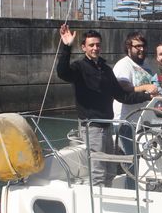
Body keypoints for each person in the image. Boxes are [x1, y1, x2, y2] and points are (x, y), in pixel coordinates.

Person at [56, 24, 154, 186]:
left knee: (110, 171)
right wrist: (66, 47)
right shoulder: (79, 68)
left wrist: (147, 97)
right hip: (92, 126)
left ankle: (107, 204)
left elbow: (122, 96)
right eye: (91, 45)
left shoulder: (106, 70)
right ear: (83, 47)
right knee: (98, 171)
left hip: (108, 126)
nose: (95, 48)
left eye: (98, 45)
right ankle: (98, 207)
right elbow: (62, 73)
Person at [113, 32, 159, 189]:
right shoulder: (123, 65)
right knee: (133, 161)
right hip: (126, 122)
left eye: (144, 46)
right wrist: (146, 89)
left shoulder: (147, 67)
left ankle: (145, 191)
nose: (142, 49)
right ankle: (132, 194)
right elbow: (123, 88)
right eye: (137, 46)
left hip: (144, 123)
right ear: (128, 47)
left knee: (145, 160)